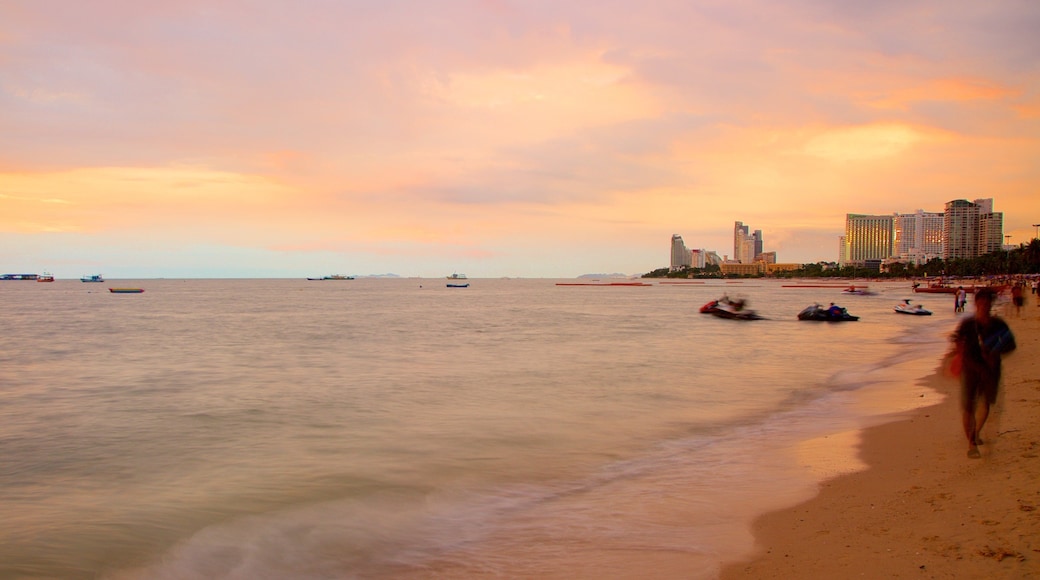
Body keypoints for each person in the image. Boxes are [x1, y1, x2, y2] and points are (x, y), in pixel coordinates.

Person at [951, 288, 1016, 458]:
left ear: (991, 304)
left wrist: (995, 352)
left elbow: (1011, 345)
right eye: (981, 302)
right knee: (968, 407)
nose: (984, 306)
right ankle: (971, 443)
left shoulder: (998, 325)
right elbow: (957, 342)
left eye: (987, 303)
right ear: (976, 303)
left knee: (985, 403)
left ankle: (976, 432)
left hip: (990, 370)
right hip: (970, 368)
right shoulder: (967, 325)